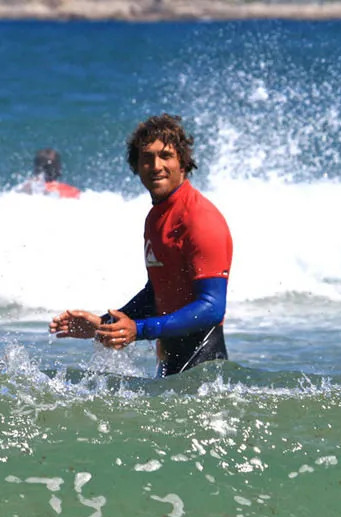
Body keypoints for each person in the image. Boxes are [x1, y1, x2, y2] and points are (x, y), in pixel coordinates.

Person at [49, 114, 232, 377]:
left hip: (203, 367)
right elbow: (157, 292)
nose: (156, 166)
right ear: (136, 166)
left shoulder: (200, 219)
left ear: (183, 162)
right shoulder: (157, 217)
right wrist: (106, 324)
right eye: (147, 158)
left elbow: (212, 307)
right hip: (171, 360)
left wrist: (139, 330)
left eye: (166, 156)